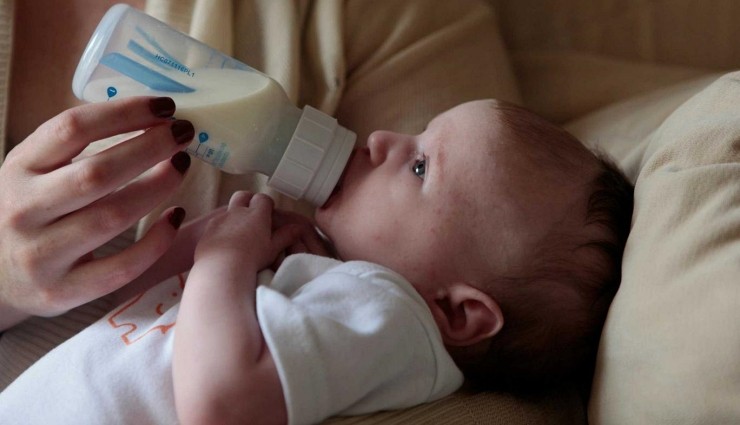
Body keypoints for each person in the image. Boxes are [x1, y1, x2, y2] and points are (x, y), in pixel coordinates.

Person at [0, 99, 634, 424]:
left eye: (419, 167)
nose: (383, 139)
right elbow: (149, 324)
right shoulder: (337, 289)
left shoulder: (392, 315)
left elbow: (219, 405)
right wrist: (213, 245)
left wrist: (226, 256)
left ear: (458, 311)